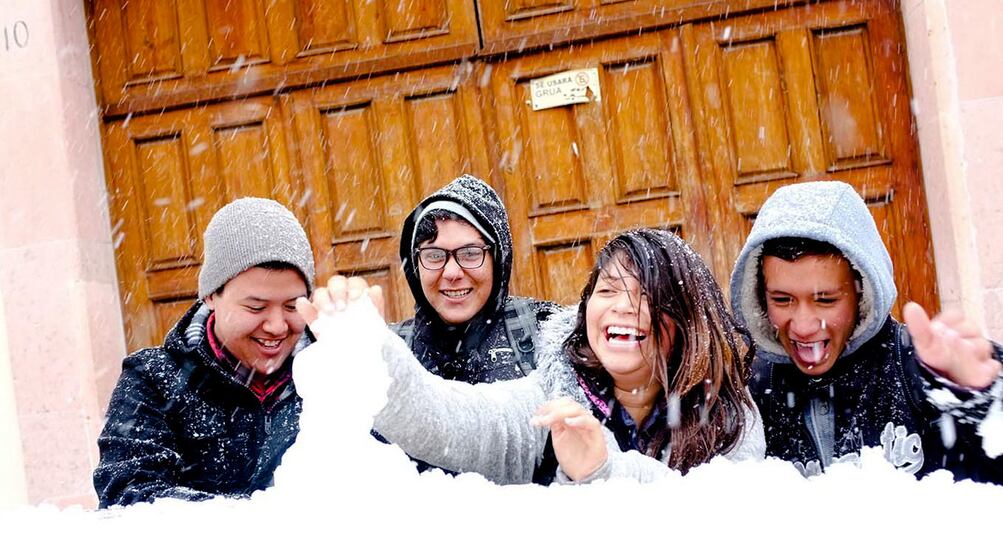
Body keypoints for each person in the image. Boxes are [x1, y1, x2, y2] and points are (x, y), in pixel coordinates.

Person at [299, 228, 765, 485]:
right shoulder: (552, 396)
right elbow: (446, 419)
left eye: (645, 294)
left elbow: (717, 530)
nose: (621, 306)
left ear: (685, 318)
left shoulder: (729, 416)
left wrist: (605, 471)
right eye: (607, 290)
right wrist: (375, 355)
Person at [729, 180, 1003, 481]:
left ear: (862, 294)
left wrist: (981, 399)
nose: (804, 326)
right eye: (782, 300)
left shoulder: (923, 367)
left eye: (825, 300)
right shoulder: (751, 393)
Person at [93, 197, 316, 507]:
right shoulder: (153, 379)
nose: (277, 326)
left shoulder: (331, 372)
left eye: (293, 306)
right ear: (212, 295)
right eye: (256, 307)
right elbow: (128, 493)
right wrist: (256, 520)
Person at [395, 173, 557, 383]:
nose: (452, 273)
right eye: (434, 256)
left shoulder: (546, 333)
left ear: (497, 261)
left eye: (470, 253)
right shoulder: (388, 352)